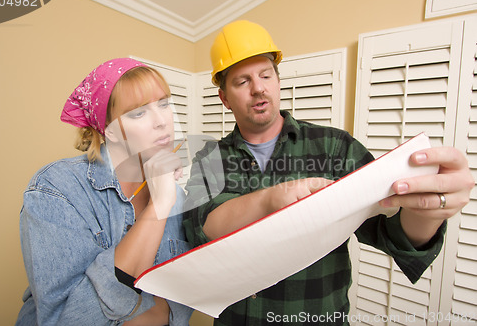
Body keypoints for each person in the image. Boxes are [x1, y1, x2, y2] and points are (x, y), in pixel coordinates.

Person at [183, 20, 474, 325]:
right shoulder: (209, 158)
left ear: (277, 82)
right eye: (242, 81)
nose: (258, 88)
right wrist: (270, 200)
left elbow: (389, 228)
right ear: (225, 98)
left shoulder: (336, 147)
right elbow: (200, 228)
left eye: (266, 75)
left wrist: (427, 210)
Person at [16, 58, 193, 326]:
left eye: (164, 104)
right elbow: (66, 318)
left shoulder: (179, 197)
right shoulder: (56, 189)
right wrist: (159, 206)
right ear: (109, 130)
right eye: (139, 112)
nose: (162, 121)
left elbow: (183, 301)